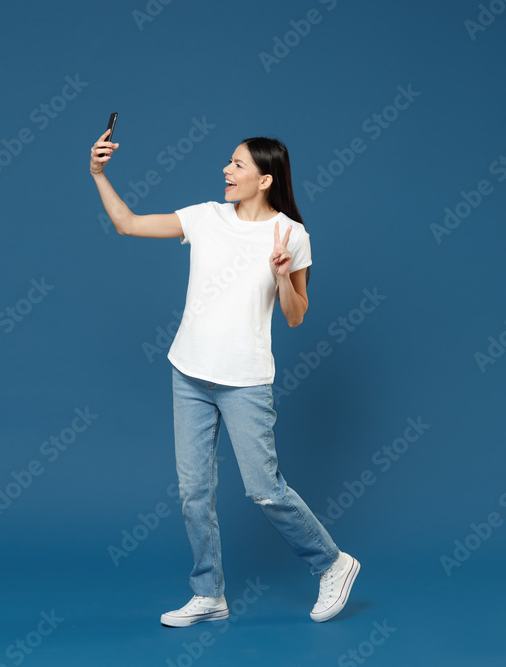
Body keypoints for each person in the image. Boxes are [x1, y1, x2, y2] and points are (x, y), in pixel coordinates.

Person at [89, 128, 359, 627]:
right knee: (193, 493)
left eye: (237, 165)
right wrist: (100, 174)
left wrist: (281, 275)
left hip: (245, 379)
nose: (226, 171)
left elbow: (296, 315)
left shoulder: (290, 235)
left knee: (264, 488)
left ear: (264, 179)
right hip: (189, 372)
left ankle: (334, 563)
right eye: (228, 163)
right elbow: (127, 224)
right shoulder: (206, 217)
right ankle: (208, 594)